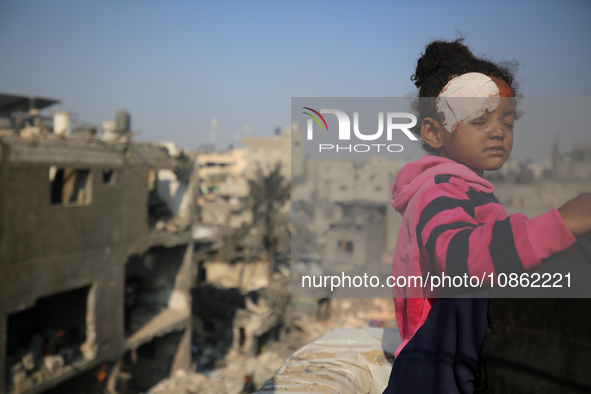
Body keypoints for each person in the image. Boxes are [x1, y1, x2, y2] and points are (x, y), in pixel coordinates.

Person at [383, 39, 591, 393]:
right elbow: (460, 257)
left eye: (507, 121)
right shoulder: (440, 190)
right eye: (480, 119)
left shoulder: (467, 188)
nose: (498, 131)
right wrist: (562, 223)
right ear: (434, 132)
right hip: (439, 357)